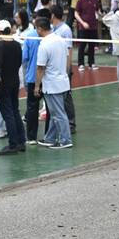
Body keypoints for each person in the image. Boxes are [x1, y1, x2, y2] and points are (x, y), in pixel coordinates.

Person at [0, 20, 27, 155]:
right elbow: (19, 62)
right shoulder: (16, 44)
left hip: (3, 83)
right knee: (15, 111)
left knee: (7, 113)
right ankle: (21, 141)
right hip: (15, 81)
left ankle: (13, 144)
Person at [34, 16, 72, 149]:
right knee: (55, 112)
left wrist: (37, 85)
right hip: (63, 82)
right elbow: (67, 59)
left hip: (52, 85)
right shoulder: (61, 40)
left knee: (58, 114)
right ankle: (50, 138)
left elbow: (40, 68)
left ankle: (65, 140)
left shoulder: (44, 45)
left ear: (40, 29)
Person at [50, 5, 76, 130]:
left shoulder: (65, 30)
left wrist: (67, 69)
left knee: (66, 95)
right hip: (54, 68)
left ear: (53, 15)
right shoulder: (52, 28)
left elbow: (69, 50)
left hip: (63, 68)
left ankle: (71, 123)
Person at [21, 13, 44, 144]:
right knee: (51, 107)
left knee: (32, 107)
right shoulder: (52, 36)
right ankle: (49, 135)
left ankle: (31, 137)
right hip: (48, 78)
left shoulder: (30, 36)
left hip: (33, 77)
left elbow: (24, 57)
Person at [75, 0, 102, 73]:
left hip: (93, 26)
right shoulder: (81, 1)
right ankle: (81, 64)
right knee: (82, 46)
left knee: (92, 45)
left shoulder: (95, 0)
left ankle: (91, 63)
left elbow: (98, 11)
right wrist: (82, 22)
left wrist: (103, 17)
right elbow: (76, 13)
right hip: (83, 27)